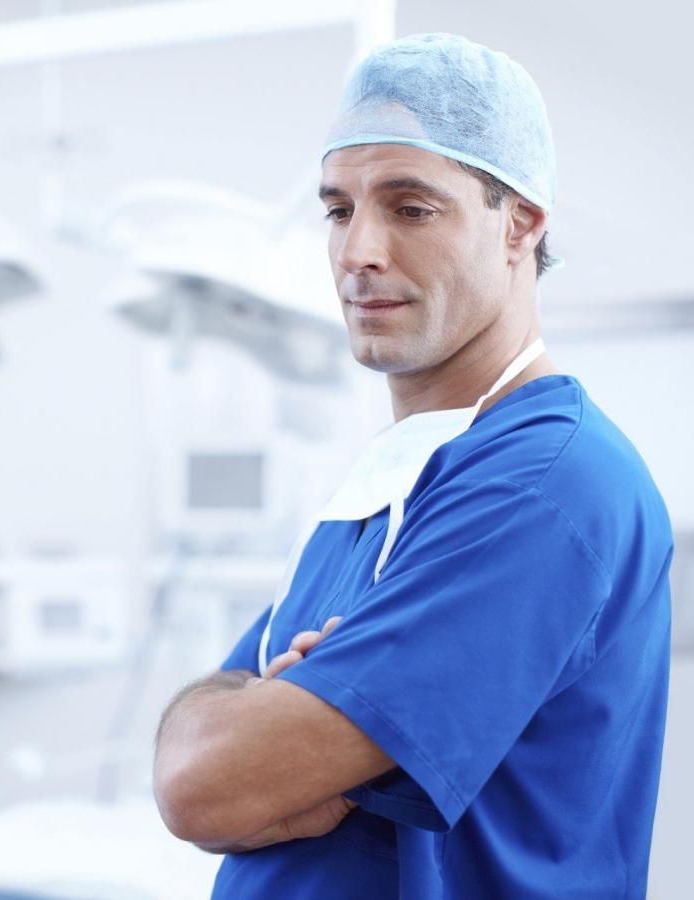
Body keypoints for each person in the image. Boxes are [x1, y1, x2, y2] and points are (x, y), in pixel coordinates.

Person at [152, 33, 672, 899]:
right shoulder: (393, 479)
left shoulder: (543, 484)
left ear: (521, 223)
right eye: (338, 209)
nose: (359, 251)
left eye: (410, 208)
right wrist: (234, 723)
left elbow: (206, 786)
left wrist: (259, 732)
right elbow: (193, 750)